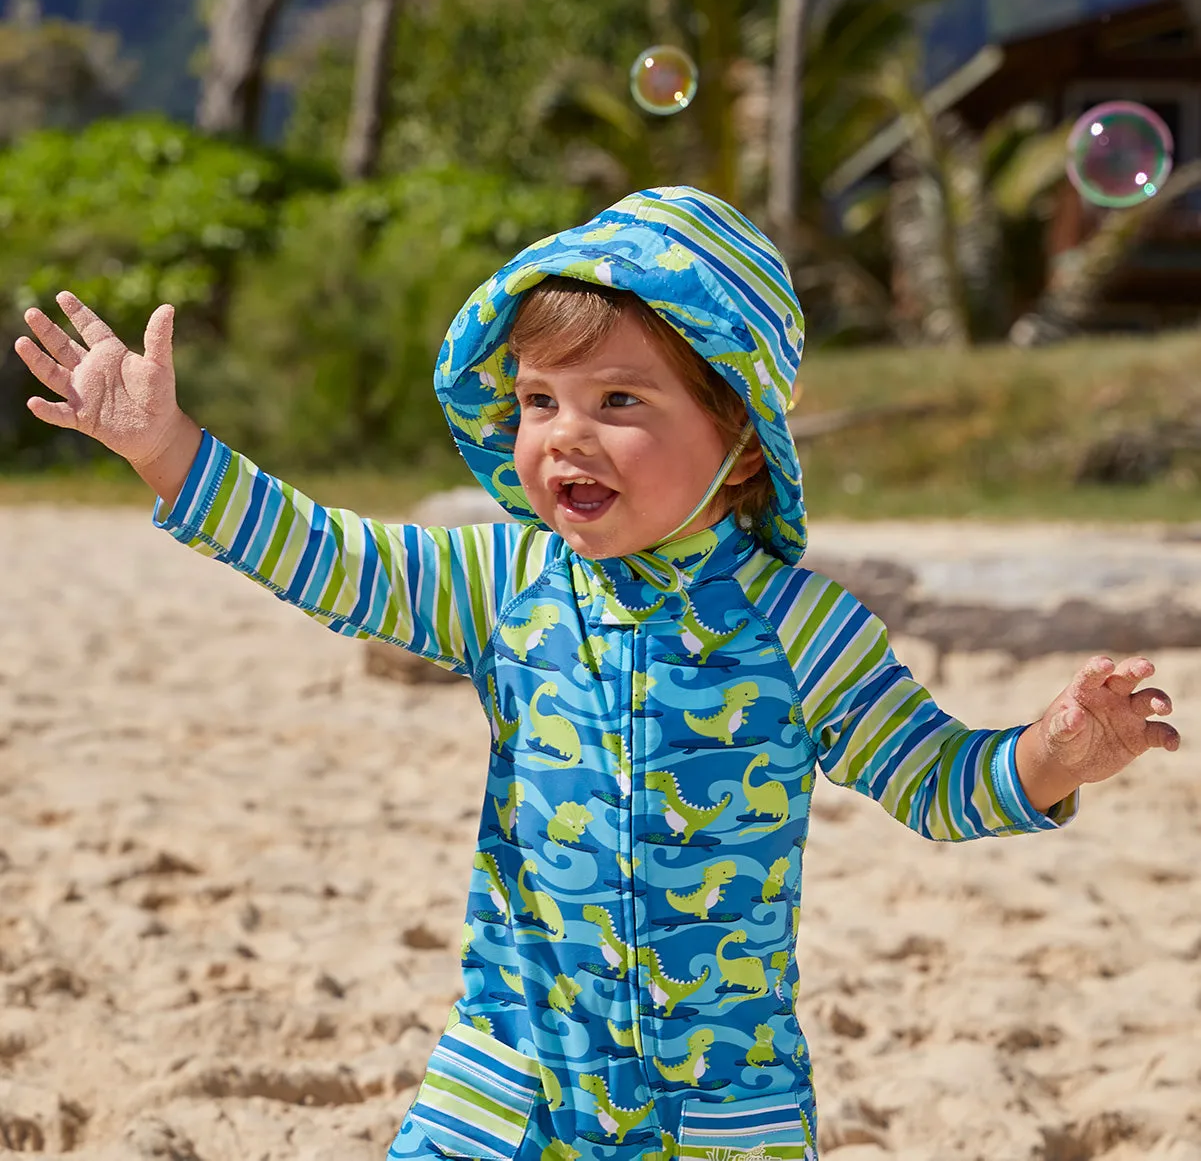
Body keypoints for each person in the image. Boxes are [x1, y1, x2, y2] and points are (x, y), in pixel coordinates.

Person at [13, 186, 1178, 1161]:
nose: (563, 435)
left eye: (619, 400)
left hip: (719, 1106)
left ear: (736, 445)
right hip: (515, 1067)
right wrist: (167, 450)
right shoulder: (504, 581)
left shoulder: (799, 628)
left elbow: (933, 779)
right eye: (536, 400)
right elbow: (334, 560)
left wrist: (1051, 753)